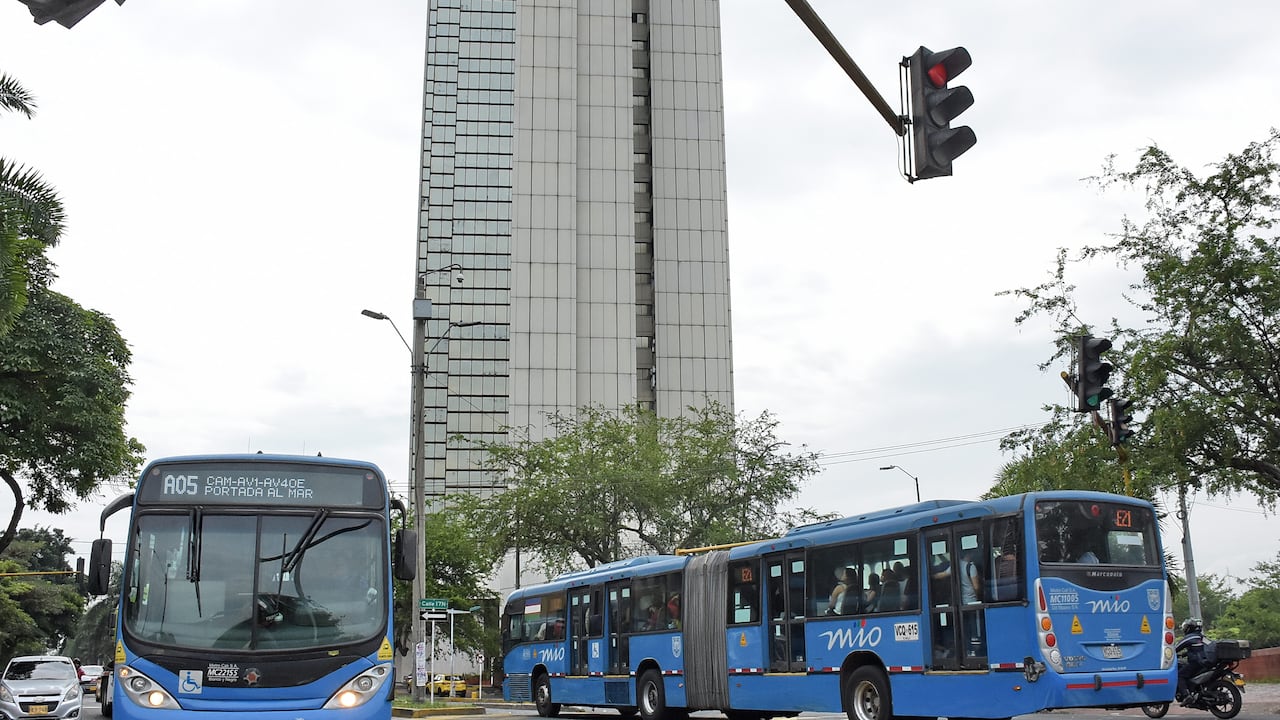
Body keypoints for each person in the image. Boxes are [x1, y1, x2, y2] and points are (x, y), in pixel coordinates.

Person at [1175, 618, 1208, 699]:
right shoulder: (1201, 637)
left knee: (1179, 675)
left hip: (1197, 663)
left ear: (1189, 628)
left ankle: (1186, 695)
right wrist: (1185, 654)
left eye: (1186, 627)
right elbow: (1199, 649)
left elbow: (1175, 648)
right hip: (1206, 661)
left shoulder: (1189, 637)